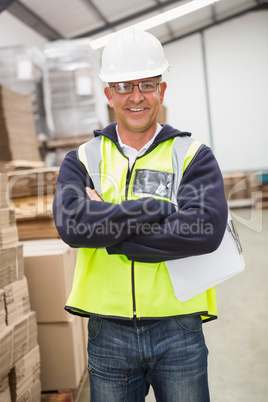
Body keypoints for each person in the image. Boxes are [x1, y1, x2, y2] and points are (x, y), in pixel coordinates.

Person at [53, 28, 228, 402]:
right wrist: (158, 209)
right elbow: (71, 225)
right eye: (123, 86)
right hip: (108, 332)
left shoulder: (193, 155)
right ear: (108, 95)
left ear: (161, 91)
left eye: (147, 85)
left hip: (178, 327)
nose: (136, 97)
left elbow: (204, 229)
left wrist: (110, 230)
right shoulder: (82, 159)